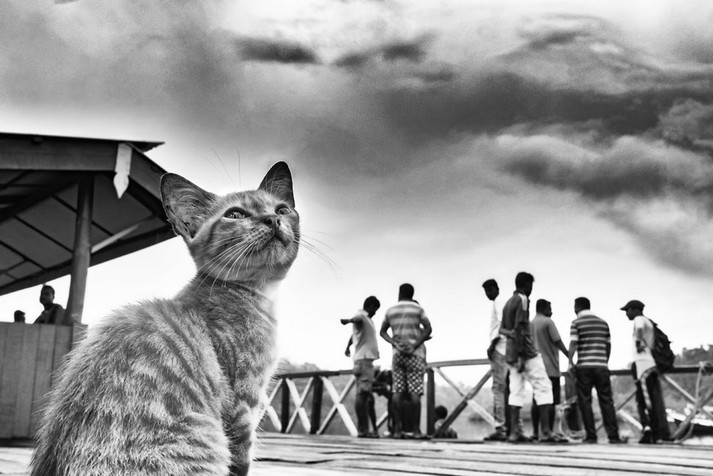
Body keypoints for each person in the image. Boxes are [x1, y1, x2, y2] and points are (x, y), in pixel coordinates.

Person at [500, 272, 565, 443]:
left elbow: (502, 329)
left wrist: (512, 338)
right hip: (525, 353)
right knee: (544, 387)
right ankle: (546, 432)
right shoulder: (523, 300)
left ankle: (514, 432)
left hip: (511, 353)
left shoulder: (508, 303)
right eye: (531, 286)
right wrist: (522, 355)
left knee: (516, 390)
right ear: (527, 284)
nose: (531, 290)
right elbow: (520, 328)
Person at [380, 283, 432, 439]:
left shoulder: (391, 310)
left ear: (399, 293)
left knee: (397, 391)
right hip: (414, 354)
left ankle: (397, 430)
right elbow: (428, 329)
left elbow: (382, 332)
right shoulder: (418, 309)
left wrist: (394, 343)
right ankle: (416, 431)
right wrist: (415, 344)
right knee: (415, 391)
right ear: (412, 294)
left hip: (397, 354)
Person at [568, 297, 622, 444]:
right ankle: (613, 435)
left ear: (578, 307)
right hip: (601, 366)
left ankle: (591, 435)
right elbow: (608, 345)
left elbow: (573, 343)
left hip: (584, 367)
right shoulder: (603, 323)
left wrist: (570, 362)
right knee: (606, 401)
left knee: (585, 401)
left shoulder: (576, 323)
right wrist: (604, 361)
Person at [621, 299, 671, 444]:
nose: (626, 314)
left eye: (628, 310)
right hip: (649, 365)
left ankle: (651, 431)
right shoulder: (649, 322)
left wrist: (637, 343)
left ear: (635, 310)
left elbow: (639, 329)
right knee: (648, 399)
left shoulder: (640, 319)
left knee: (645, 401)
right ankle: (654, 432)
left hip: (643, 365)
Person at [341, 296, 381, 438]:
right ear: (370, 306)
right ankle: (363, 430)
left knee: (363, 394)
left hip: (362, 360)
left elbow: (353, 335)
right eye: (375, 309)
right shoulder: (362, 316)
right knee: (363, 395)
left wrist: (348, 346)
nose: (375, 312)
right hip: (364, 360)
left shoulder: (366, 320)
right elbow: (356, 319)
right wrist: (348, 321)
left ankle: (363, 429)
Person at [530, 299, 568, 440]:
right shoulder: (548, 322)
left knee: (536, 400)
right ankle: (549, 432)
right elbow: (557, 341)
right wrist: (569, 356)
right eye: (549, 309)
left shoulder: (530, 324)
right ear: (544, 308)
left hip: (535, 367)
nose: (551, 312)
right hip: (550, 367)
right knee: (551, 401)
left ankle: (535, 432)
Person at [482, 279, 510, 441]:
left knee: (498, 389)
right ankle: (512, 426)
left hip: (500, 349)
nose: (488, 294)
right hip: (508, 349)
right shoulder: (503, 302)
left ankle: (501, 427)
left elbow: (501, 324)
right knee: (508, 389)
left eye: (489, 291)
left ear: (495, 289)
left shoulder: (499, 302)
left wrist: (492, 345)